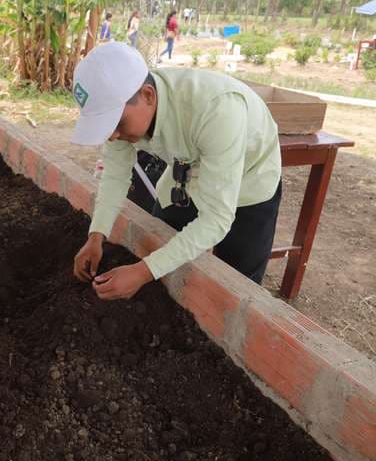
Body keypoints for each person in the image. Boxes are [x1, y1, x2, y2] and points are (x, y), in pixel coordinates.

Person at [71, 43, 282, 300]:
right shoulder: (130, 115)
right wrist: (96, 236)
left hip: (249, 182)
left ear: (148, 95)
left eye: (116, 123)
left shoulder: (216, 109)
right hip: (185, 173)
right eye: (105, 126)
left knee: (238, 286)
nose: (112, 135)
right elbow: (115, 175)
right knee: (163, 246)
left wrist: (142, 272)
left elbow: (216, 218)